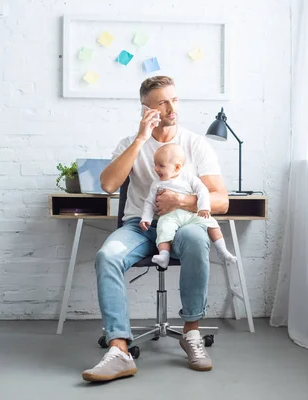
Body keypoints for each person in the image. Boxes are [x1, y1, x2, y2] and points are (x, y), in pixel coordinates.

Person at [82, 76, 229, 382]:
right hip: (140, 226)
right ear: (146, 108)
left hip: (181, 225)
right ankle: (119, 350)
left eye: (174, 99)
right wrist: (140, 139)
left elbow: (221, 201)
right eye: (162, 102)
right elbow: (108, 185)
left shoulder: (194, 144)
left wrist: (182, 200)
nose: (171, 107)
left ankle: (191, 333)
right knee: (107, 255)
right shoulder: (130, 143)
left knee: (195, 237)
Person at [140, 143, 237, 268]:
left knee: (212, 224)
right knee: (163, 230)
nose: (156, 169)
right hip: (169, 217)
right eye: (155, 164)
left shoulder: (189, 178)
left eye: (161, 165)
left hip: (190, 215)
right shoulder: (157, 183)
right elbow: (149, 202)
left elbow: (202, 191)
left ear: (177, 167)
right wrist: (146, 218)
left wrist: (203, 207)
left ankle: (222, 250)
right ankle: (164, 255)